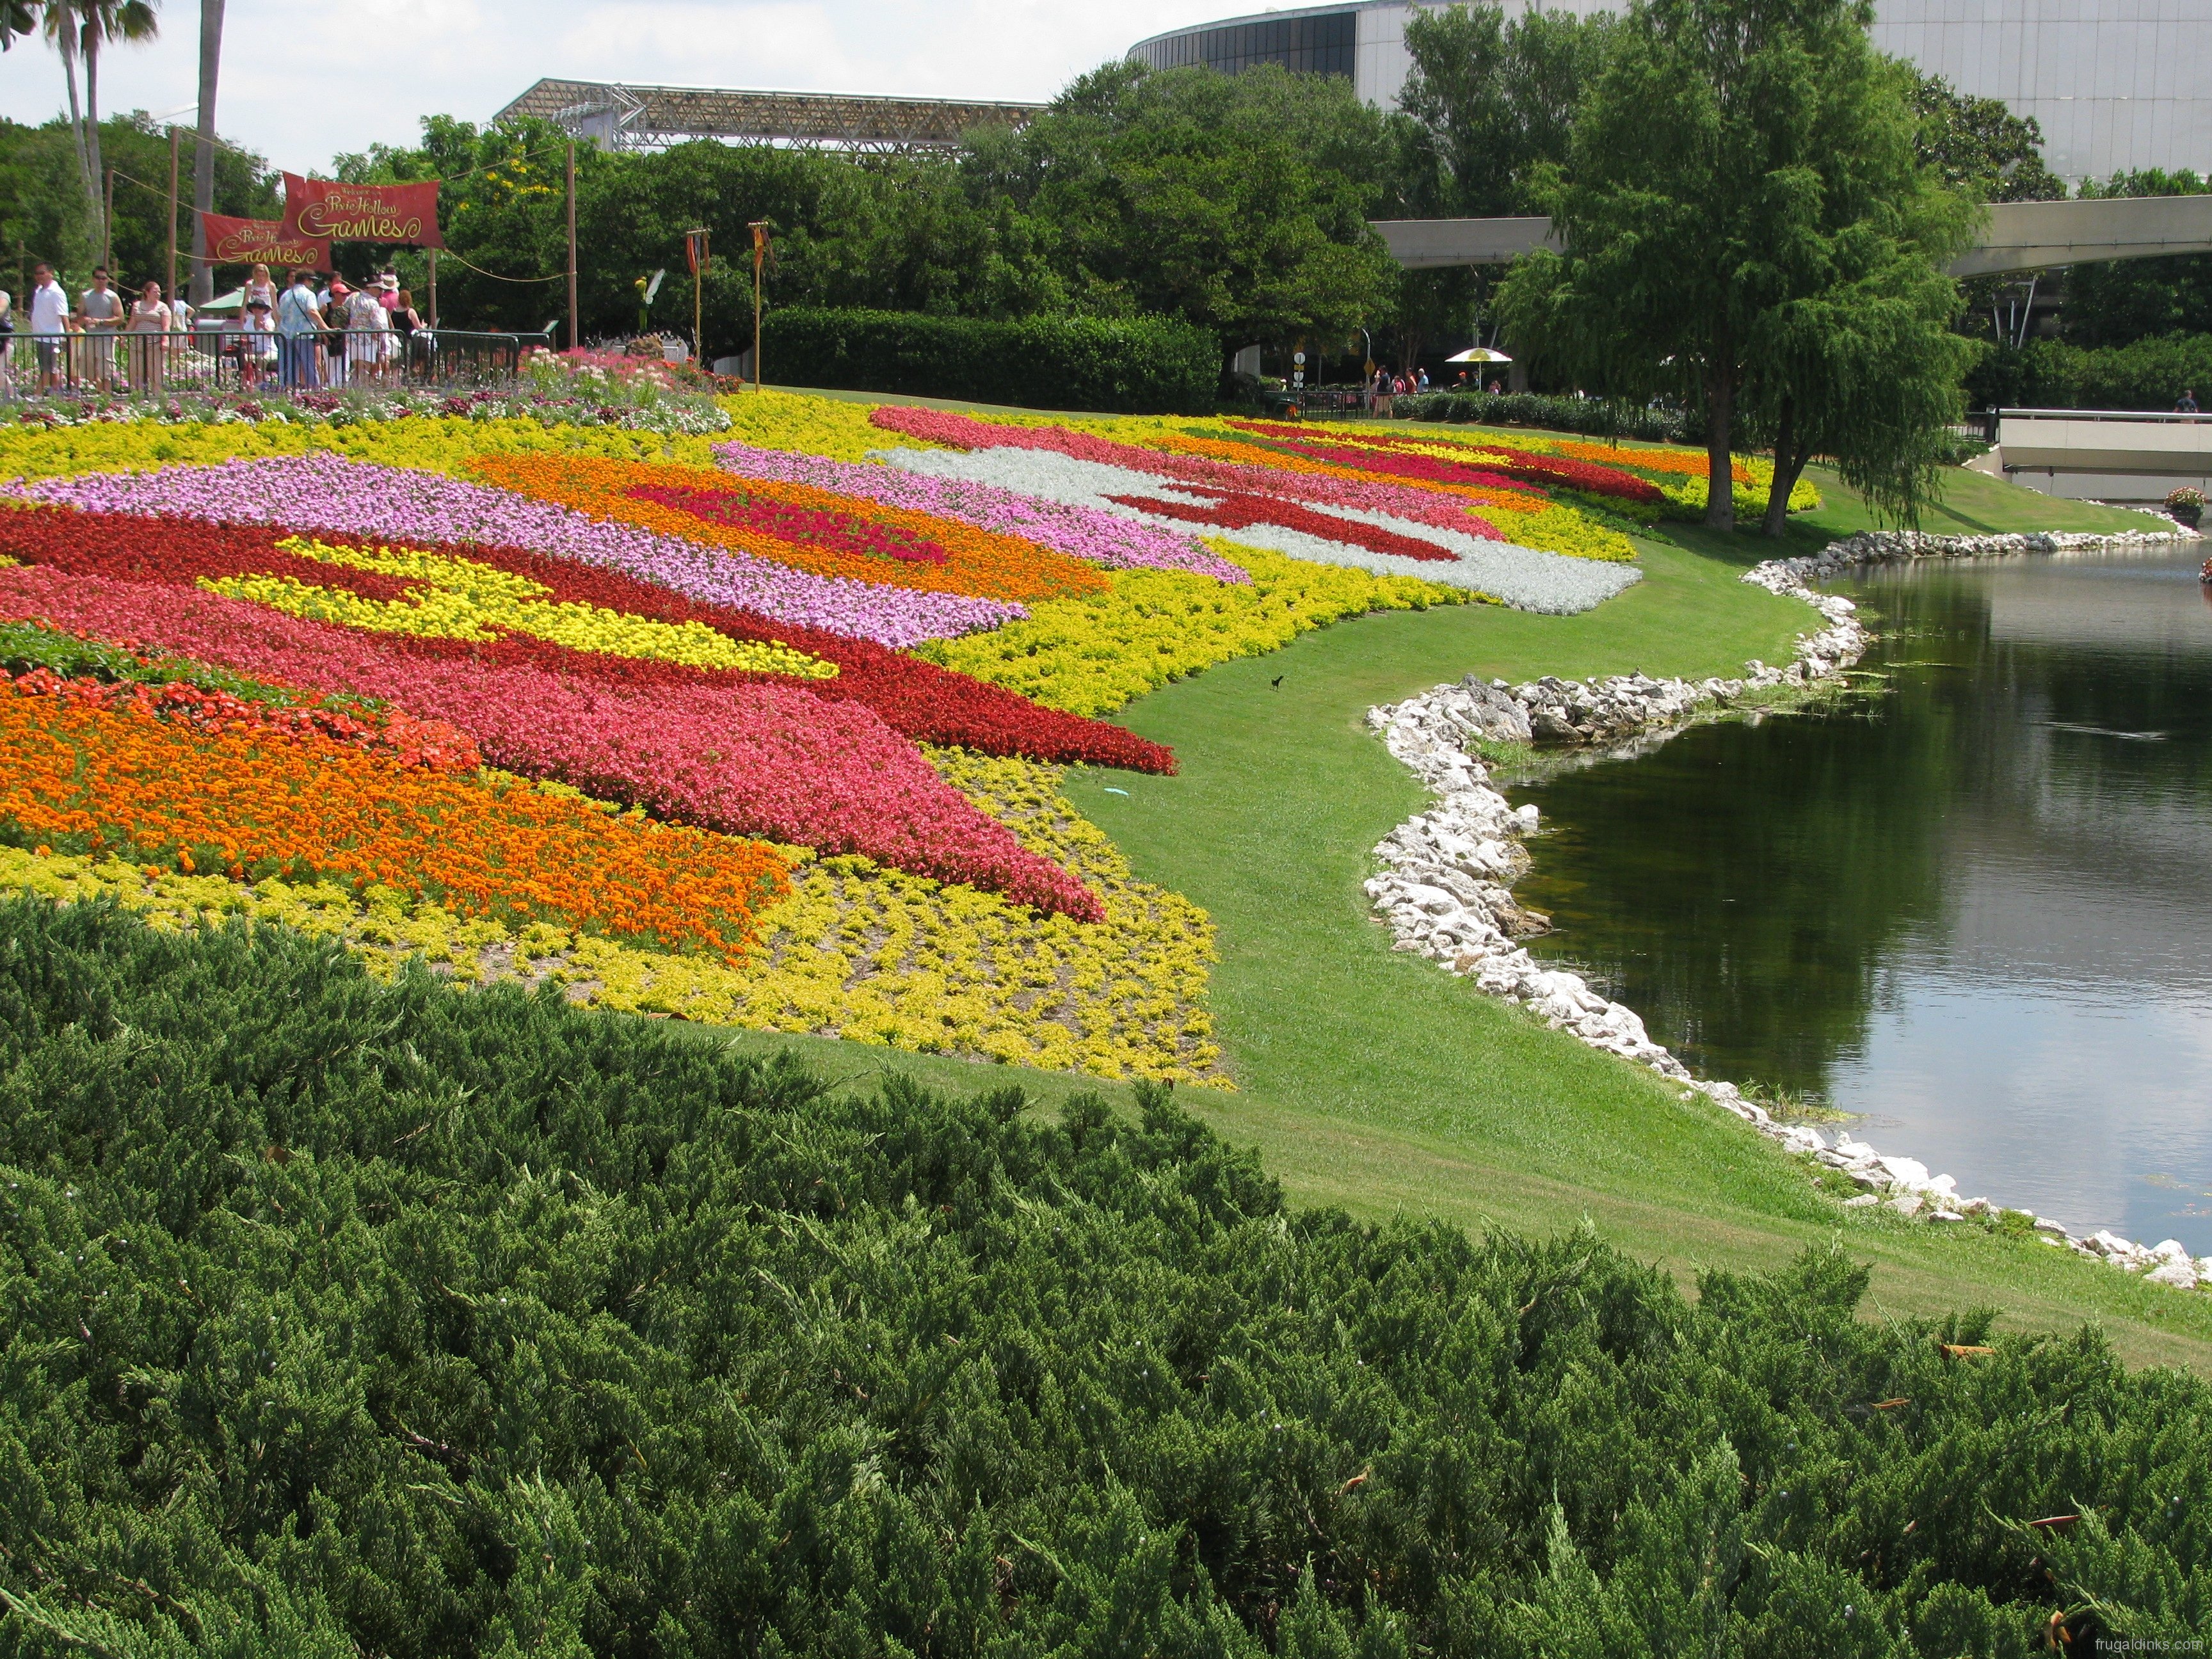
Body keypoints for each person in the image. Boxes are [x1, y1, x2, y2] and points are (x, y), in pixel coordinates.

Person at [76, 266, 124, 390]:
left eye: (104, 278)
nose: (101, 280)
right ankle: (99, 393)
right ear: (93, 279)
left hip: (106, 338)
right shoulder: (85, 296)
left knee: (106, 372)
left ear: (108, 280)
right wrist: (84, 320)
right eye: (98, 278)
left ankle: (106, 399)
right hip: (90, 337)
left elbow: (120, 318)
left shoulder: (112, 297)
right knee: (89, 372)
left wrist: (101, 322)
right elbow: (79, 317)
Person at [276, 269, 324, 389]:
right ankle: (314, 391)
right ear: (306, 280)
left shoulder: (285, 295)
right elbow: (312, 310)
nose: (312, 284)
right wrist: (324, 326)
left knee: (288, 364)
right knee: (309, 364)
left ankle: (287, 390)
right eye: (312, 281)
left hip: (285, 334)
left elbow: (280, 313)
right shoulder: (309, 294)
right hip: (304, 334)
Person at [124, 280, 173, 392]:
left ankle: (156, 398)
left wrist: (165, 341)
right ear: (147, 292)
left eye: (159, 292)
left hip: (155, 344)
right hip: (137, 344)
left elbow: (166, 326)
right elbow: (132, 323)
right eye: (155, 291)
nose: (158, 294)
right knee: (136, 371)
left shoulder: (163, 307)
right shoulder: (137, 306)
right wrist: (124, 337)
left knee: (156, 372)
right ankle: (137, 397)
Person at [28, 263, 69, 390]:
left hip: (52, 337)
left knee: (46, 368)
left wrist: (67, 337)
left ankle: (37, 394)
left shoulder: (56, 292)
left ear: (51, 273)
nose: (39, 276)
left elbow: (64, 316)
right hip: (40, 336)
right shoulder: (38, 290)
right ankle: (56, 394)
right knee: (51, 369)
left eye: (42, 273)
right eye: (37, 273)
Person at [344, 280, 389, 383]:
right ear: (371, 288)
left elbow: (344, 311)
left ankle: (353, 388)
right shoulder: (373, 303)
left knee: (357, 366)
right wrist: (381, 337)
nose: (381, 291)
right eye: (379, 288)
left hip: (352, 337)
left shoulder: (353, 297)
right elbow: (377, 323)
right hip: (367, 338)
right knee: (365, 367)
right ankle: (362, 390)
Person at [240, 295, 280, 387]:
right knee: (246, 358)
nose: (257, 310)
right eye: (255, 307)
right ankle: (247, 383)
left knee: (261, 359)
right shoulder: (249, 323)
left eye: (260, 308)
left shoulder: (269, 321)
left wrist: (264, 328)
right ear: (252, 310)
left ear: (264, 310)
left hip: (269, 351)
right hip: (253, 351)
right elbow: (244, 336)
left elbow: (270, 334)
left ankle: (260, 384)